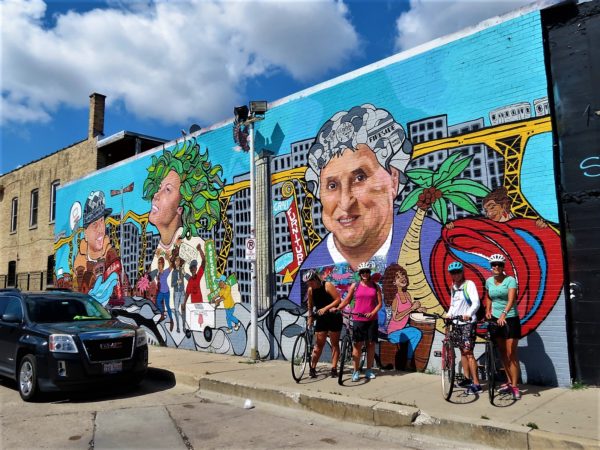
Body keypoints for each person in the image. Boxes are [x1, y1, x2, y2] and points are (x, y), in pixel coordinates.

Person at [290, 104, 441, 302]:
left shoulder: (434, 246)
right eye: (332, 185)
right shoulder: (313, 266)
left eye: (360, 178)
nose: (345, 202)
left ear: (393, 180)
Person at [73, 190, 125, 305]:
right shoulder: (79, 265)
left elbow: (120, 292)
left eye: (102, 221)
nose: (100, 229)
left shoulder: (111, 256)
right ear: (85, 233)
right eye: (94, 224)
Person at [335, 261, 382, 381]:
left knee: (370, 345)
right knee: (357, 345)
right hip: (358, 318)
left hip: (371, 319)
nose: (365, 274)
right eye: (363, 272)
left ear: (369, 273)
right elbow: (346, 300)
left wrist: (372, 313)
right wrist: (338, 308)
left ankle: (369, 370)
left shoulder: (375, 286)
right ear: (360, 274)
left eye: (367, 271)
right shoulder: (355, 286)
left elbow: (379, 304)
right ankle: (355, 371)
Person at [484, 253, 522, 400]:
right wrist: (488, 310)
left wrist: (504, 314)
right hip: (495, 319)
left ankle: (515, 385)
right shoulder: (489, 281)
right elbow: (488, 296)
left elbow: (512, 299)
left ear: (503, 266)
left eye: (499, 265)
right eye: (494, 264)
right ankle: (508, 381)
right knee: (502, 352)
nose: (496, 267)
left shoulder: (510, 280)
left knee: (511, 352)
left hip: (510, 319)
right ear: (491, 267)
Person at [445, 261, 482, 395]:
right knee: (462, 351)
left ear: (462, 272)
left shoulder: (469, 284)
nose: (455, 275)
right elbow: (453, 305)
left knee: (468, 352)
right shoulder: (453, 287)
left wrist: (468, 314)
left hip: (468, 323)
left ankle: (477, 384)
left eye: (458, 272)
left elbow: (476, 302)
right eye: (453, 273)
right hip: (457, 323)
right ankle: (467, 379)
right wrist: (448, 315)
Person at [382, 264, 425, 369]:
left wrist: (418, 309)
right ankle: (409, 362)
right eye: (398, 277)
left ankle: (408, 361)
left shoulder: (407, 294)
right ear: (393, 282)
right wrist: (411, 308)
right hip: (393, 333)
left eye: (403, 276)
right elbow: (396, 317)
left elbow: (409, 310)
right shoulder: (395, 298)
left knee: (415, 332)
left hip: (403, 329)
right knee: (416, 333)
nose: (403, 278)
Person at [303, 269, 342, 378]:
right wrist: (310, 317)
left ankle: (334, 368)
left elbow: (338, 300)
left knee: (334, 344)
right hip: (322, 317)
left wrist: (326, 308)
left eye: (310, 282)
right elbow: (310, 305)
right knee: (319, 344)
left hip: (334, 316)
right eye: (307, 283)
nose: (309, 284)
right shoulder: (310, 290)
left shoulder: (327, 285)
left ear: (315, 279)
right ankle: (313, 368)